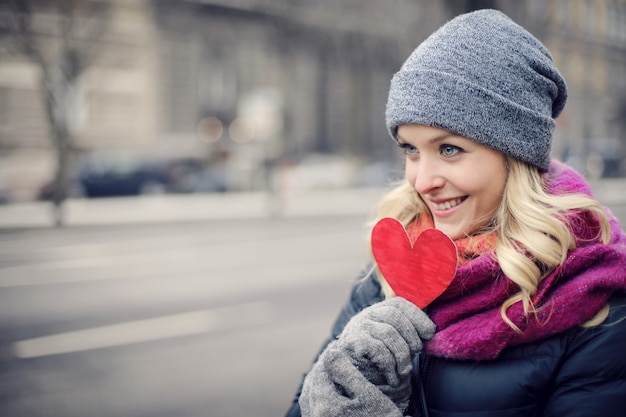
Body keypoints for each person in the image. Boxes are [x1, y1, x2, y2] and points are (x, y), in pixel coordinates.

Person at [284, 9, 626, 417]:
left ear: (514, 156)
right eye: (411, 149)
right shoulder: (392, 273)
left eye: (449, 149)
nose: (422, 181)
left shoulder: (597, 303)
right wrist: (330, 394)